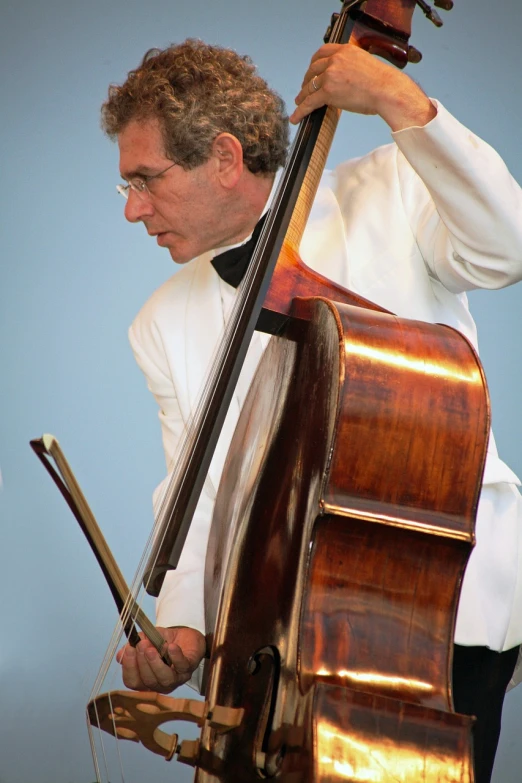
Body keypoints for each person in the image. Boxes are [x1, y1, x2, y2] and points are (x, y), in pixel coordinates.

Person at [101, 39, 522, 782]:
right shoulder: (159, 322)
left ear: (225, 158)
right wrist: (186, 626)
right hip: (285, 642)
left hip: (437, 605)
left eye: (146, 179)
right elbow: (201, 497)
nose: (134, 209)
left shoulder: (391, 189)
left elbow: (506, 249)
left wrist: (402, 103)